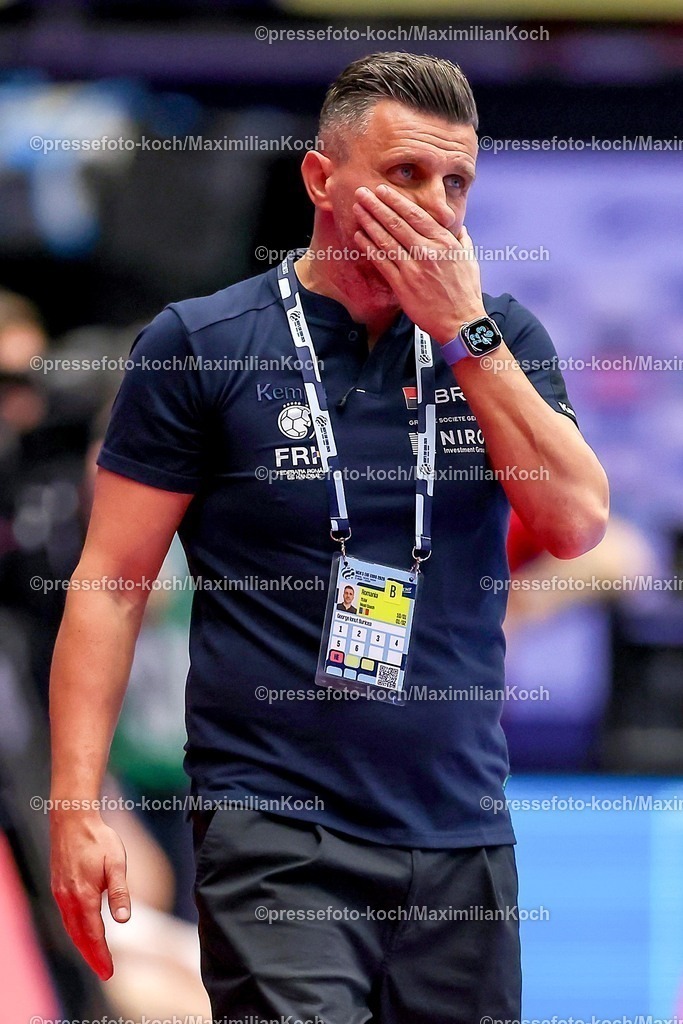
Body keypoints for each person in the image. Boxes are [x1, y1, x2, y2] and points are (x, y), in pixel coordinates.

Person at [49, 52, 609, 1023]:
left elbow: (573, 522)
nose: (434, 204)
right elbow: (111, 580)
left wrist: (460, 331)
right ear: (320, 179)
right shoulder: (203, 344)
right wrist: (77, 801)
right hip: (276, 826)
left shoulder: (498, 338)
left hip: (459, 827)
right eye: (403, 175)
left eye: (455, 182)